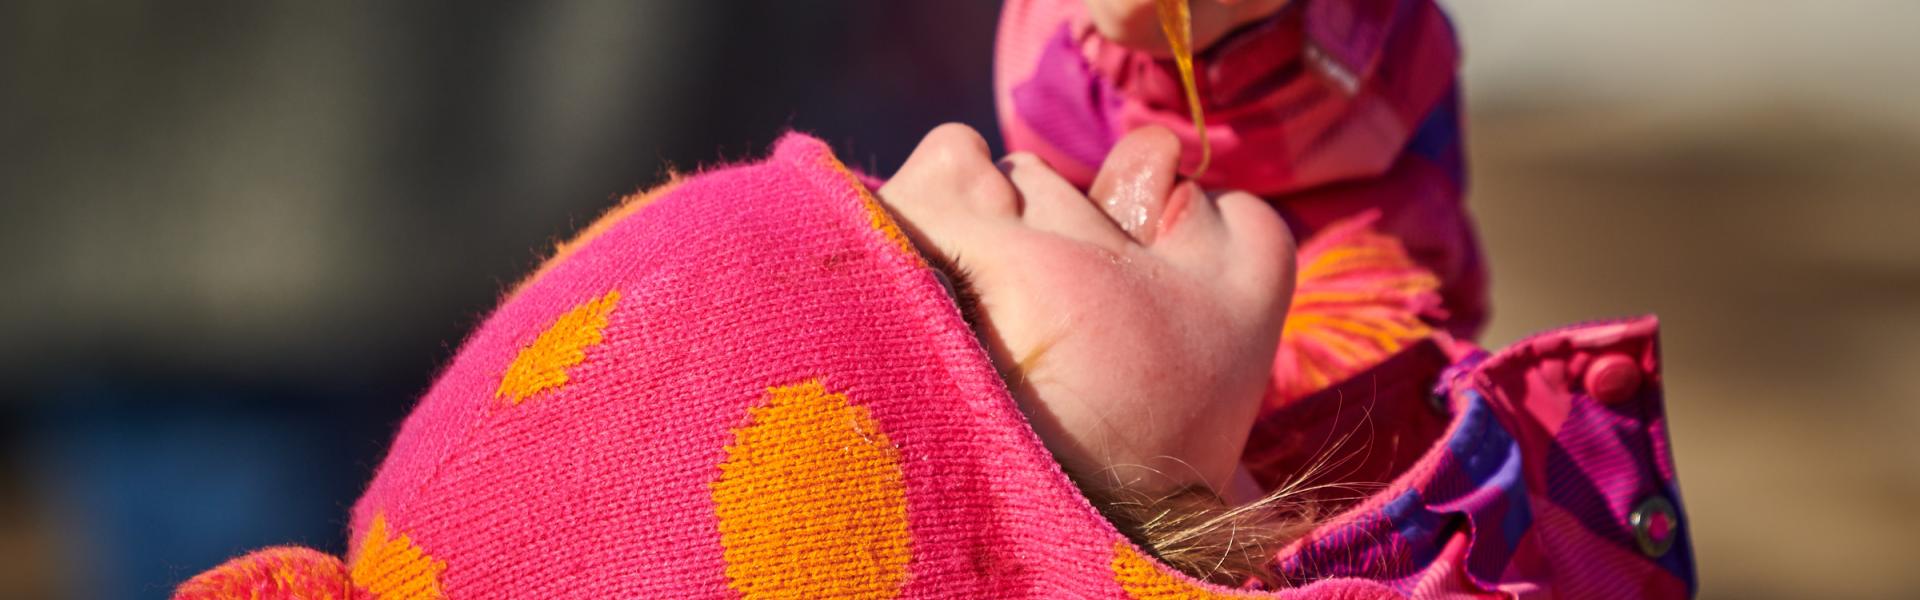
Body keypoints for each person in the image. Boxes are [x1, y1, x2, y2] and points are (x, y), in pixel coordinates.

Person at [174, 123, 1692, 597]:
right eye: (940, 276)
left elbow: (1360, 224)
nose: (954, 141)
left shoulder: (1295, 449)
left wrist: (1254, 55)